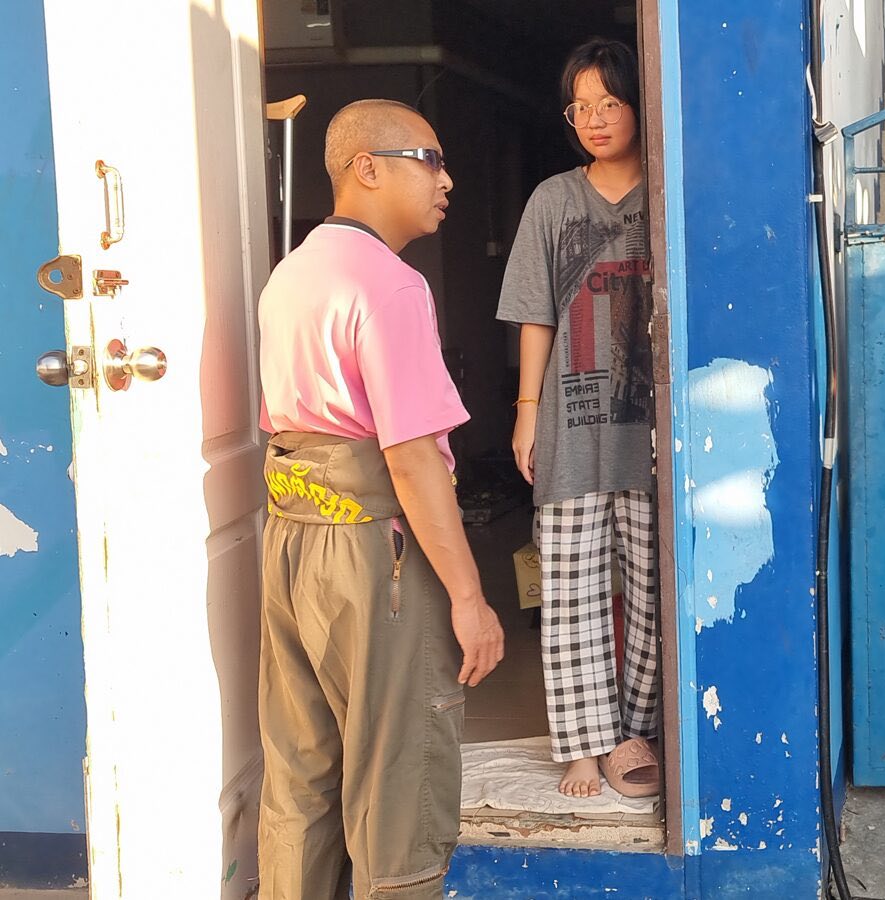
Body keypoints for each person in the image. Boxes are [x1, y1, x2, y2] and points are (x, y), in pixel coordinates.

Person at [256, 98, 505, 898]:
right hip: (374, 553)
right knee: (400, 776)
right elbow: (410, 460)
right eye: (429, 160)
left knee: (302, 774)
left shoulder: (290, 274)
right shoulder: (390, 286)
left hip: (292, 540)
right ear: (367, 168)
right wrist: (470, 597)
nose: (448, 180)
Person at [497, 38, 662, 800]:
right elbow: (535, 315)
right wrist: (527, 411)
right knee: (568, 588)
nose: (594, 120)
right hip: (570, 421)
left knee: (655, 588)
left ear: (638, 103)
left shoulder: (666, 192)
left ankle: (636, 734)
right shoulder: (554, 202)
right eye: (580, 107)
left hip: (652, 429)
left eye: (609, 103)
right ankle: (584, 745)